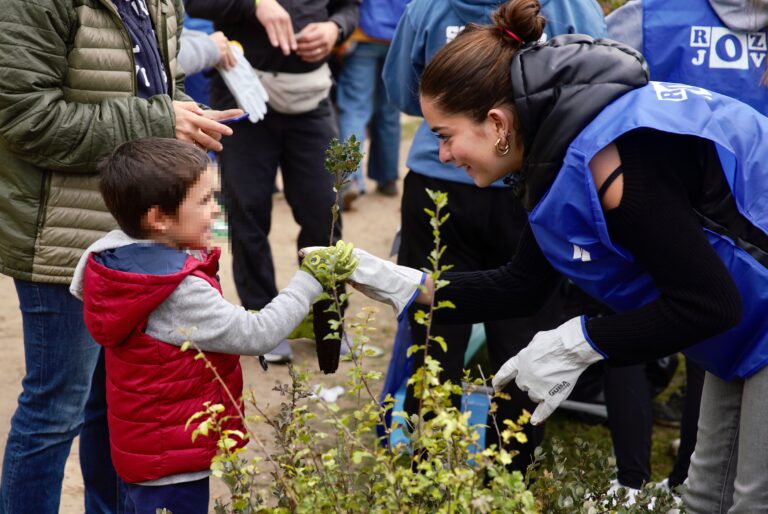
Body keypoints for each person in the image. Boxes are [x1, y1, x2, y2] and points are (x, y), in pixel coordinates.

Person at [339, 0, 768, 511]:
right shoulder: (555, 152)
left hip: (749, 313)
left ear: (497, 122)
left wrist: (578, 342)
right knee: (705, 496)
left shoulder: (613, 165)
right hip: (745, 319)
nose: (446, 156)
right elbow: (522, 284)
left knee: (751, 499)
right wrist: (408, 286)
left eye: (445, 137)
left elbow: (709, 305)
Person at [0, 1, 242, 512]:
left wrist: (185, 121)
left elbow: (155, 85)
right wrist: (158, 118)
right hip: (65, 235)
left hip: (141, 238)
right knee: (55, 410)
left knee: (116, 406)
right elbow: (23, 117)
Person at [69, 138, 355, 514]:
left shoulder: (110, 254)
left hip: (144, 450)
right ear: (158, 219)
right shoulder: (176, 290)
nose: (215, 210)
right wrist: (310, 280)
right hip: (173, 462)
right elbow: (257, 335)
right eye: (204, 201)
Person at [379, 0, 607, 467]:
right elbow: (594, 91)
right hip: (527, 179)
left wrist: (452, 119)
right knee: (523, 335)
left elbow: (404, 93)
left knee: (437, 330)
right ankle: (507, 471)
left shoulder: (429, 7)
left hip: (454, 188)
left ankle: (430, 465)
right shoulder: (574, 7)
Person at [599, 0, 768, 497]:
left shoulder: (651, 15)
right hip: (752, 222)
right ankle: (683, 481)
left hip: (662, 207)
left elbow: (597, 95)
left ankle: (633, 481)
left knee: (634, 317)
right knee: (719, 340)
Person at [185, 0, 360, 364]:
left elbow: (349, 7)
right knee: (246, 214)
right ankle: (261, 322)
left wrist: (336, 29)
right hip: (242, 96)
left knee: (323, 214)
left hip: (310, 100)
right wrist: (255, 4)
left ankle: (327, 321)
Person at [336, 0, 409, 207]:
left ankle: (351, 180)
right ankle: (388, 179)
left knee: (354, 110)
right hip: (398, 34)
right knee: (390, 111)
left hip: (362, 33)